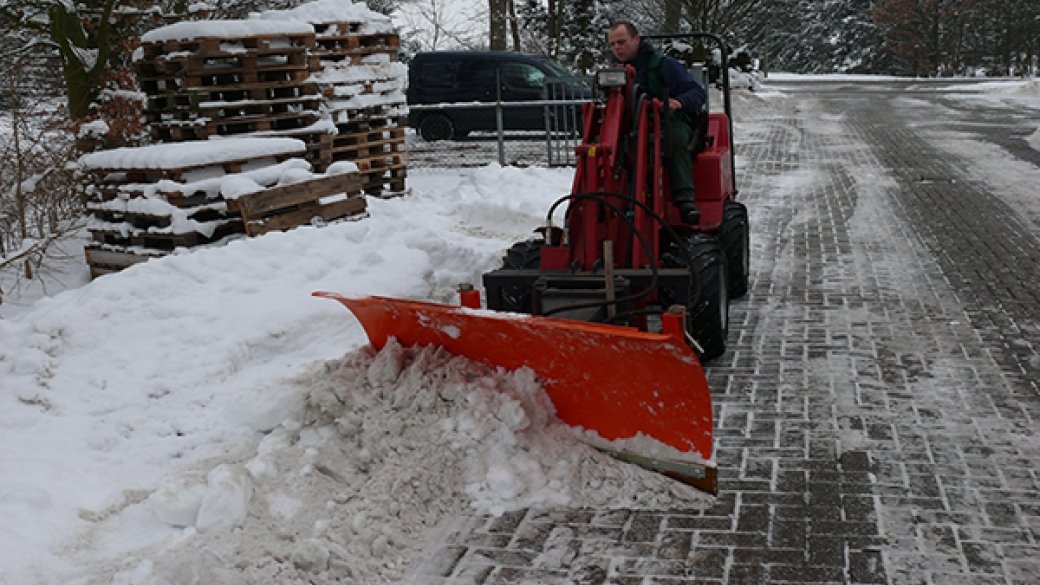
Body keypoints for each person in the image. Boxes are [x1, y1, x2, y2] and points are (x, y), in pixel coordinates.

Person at [607, 21, 707, 223]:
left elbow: (697, 92)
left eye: (621, 42)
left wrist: (678, 102)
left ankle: (684, 197)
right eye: (612, 44)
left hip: (667, 123)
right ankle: (606, 196)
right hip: (630, 127)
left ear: (636, 40)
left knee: (675, 138)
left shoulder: (663, 65)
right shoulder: (614, 73)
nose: (616, 48)